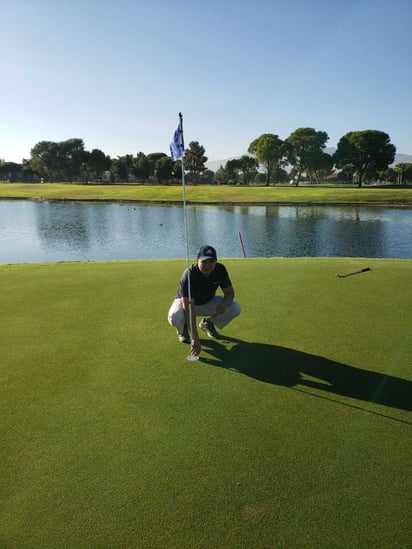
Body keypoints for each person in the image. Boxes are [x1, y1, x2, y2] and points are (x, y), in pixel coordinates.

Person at [168, 245, 241, 358]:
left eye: (211, 261)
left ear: (216, 261)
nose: (208, 265)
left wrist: (223, 305)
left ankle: (208, 323)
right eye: (204, 261)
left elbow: (230, 293)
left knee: (235, 308)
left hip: (207, 302)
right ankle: (183, 330)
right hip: (185, 304)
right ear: (197, 261)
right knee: (175, 316)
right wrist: (194, 337)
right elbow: (188, 307)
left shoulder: (220, 269)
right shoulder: (189, 274)